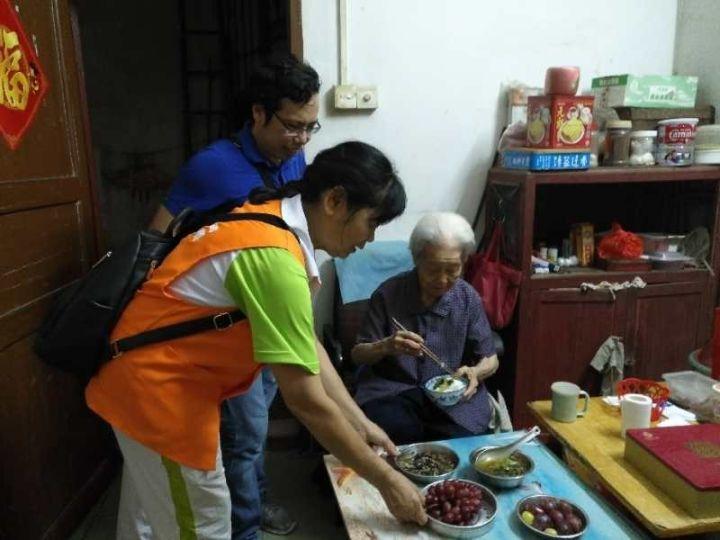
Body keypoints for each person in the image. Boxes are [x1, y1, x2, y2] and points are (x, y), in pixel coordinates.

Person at [86, 141, 427, 539]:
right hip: (161, 400)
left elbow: (307, 347)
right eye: (372, 222)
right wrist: (387, 481)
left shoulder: (269, 222)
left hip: (140, 382)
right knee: (200, 525)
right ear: (335, 200)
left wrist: (361, 422)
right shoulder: (274, 258)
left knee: (149, 518)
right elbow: (306, 400)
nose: (369, 239)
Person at [149, 53, 320, 538]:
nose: (302, 139)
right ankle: (246, 522)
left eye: (311, 127)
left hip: (269, 317)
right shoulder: (211, 167)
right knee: (246, 436)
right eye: (292, 126)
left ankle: (252, 502)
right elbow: (158, 238)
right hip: (224, 328)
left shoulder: (295, 160)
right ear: (258, 114)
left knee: (256, 424)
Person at [351, 212, 499, 445]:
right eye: (432, 270)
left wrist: (475, 373)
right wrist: (386, 346)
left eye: (452, 270)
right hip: (393, 391)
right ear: (417, 259)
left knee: (462, 441)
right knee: (397, 433)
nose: (442, 280)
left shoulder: (467, 298)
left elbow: (491, 358)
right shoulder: (388, 294)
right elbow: (358, 354)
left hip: (449, 393)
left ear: (464, 262)